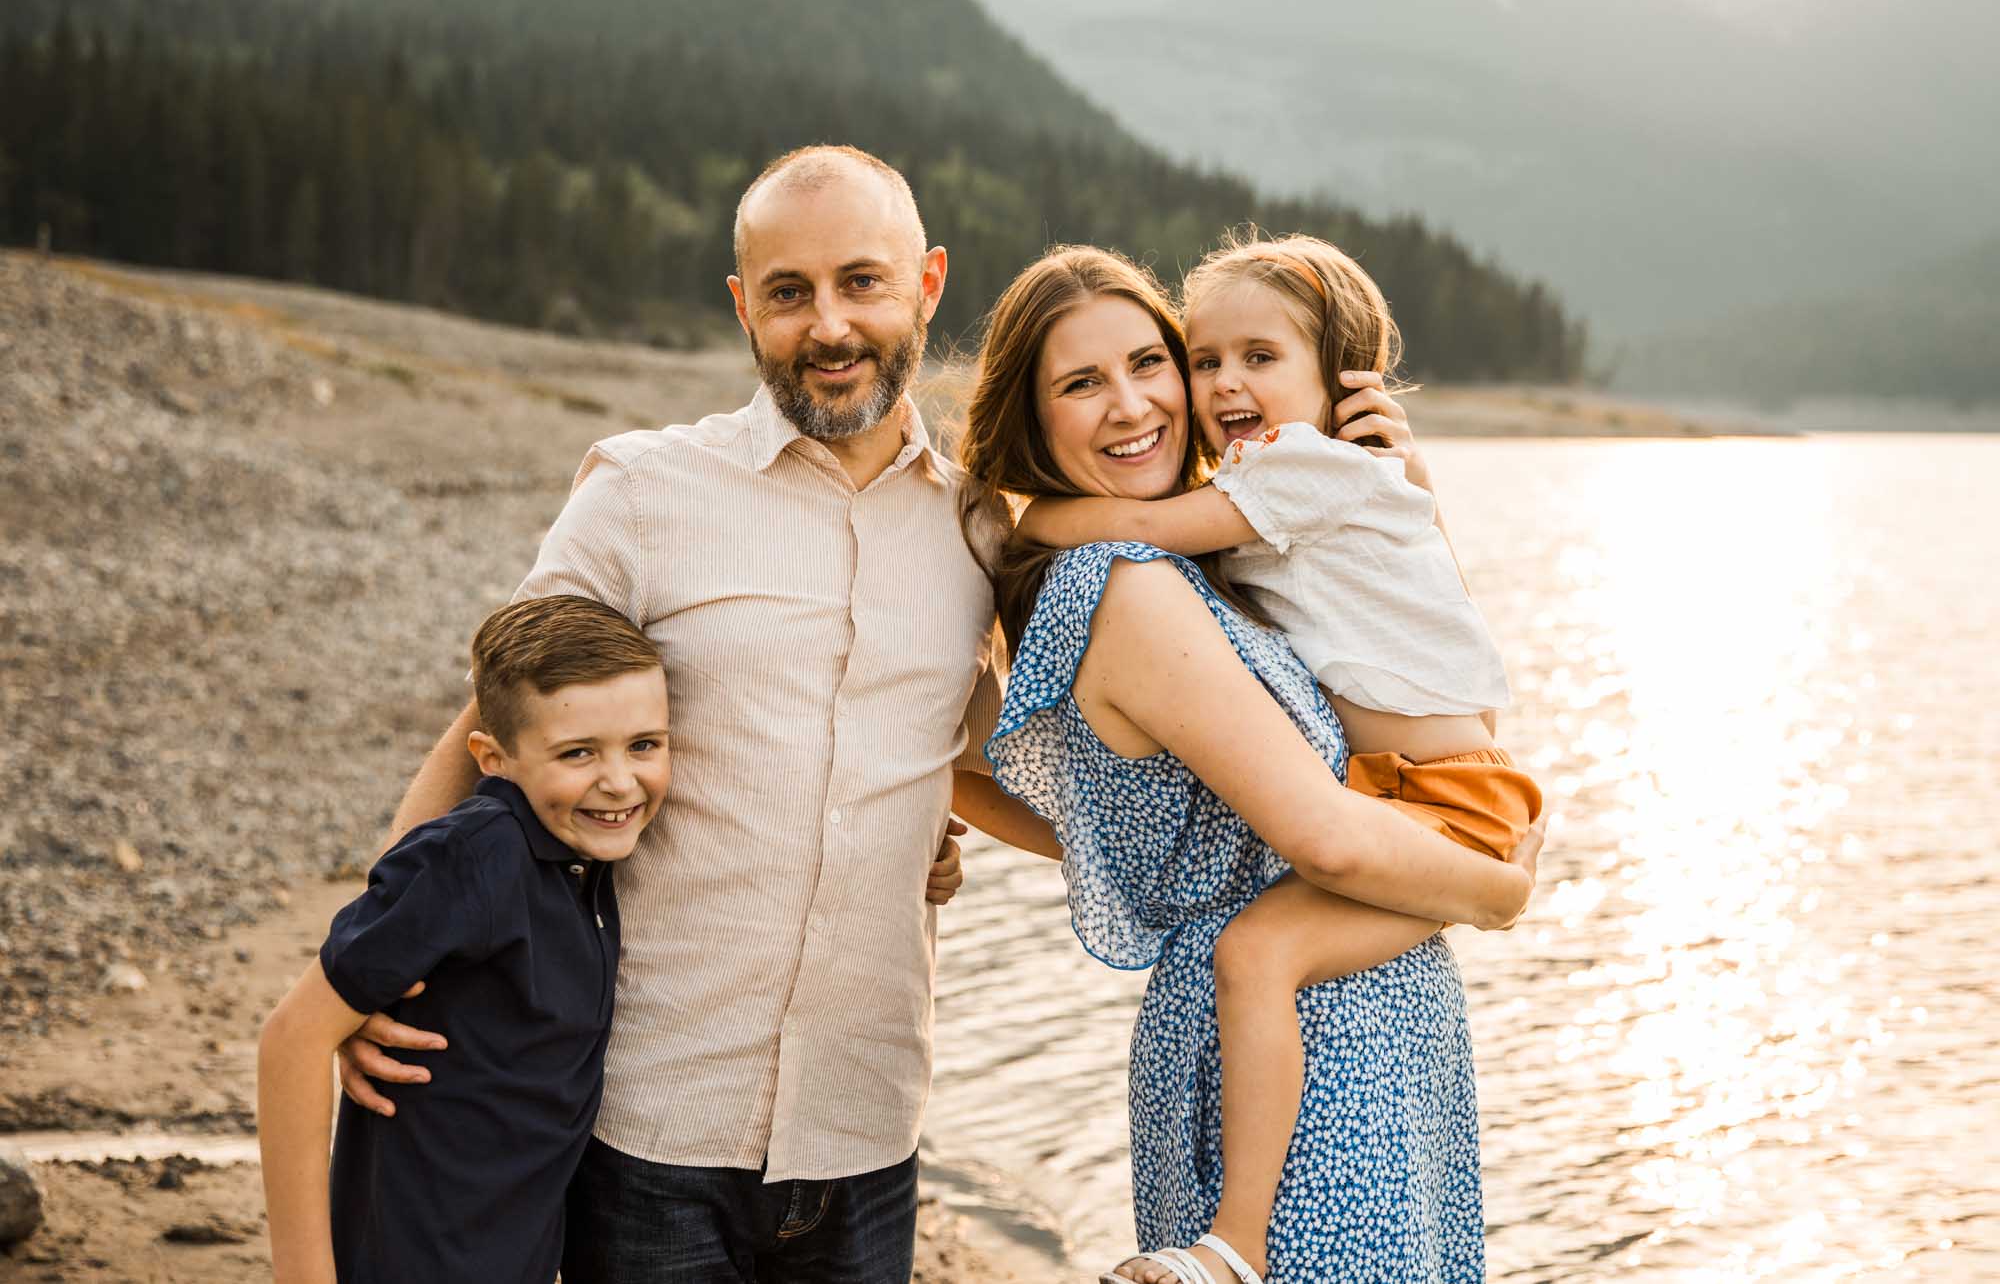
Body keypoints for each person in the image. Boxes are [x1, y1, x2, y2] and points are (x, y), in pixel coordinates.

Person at [333, 146, 1020, 1282]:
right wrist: (367, 963)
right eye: (790, 293)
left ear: (928, 284)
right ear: (745, 306)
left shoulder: (979, 531)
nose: (830, 325)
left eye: (863, 282)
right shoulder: (645, 492)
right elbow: (490, 728)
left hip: (869, 1122)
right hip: (651, 1119)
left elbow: (986, 761)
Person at [953, 245, 1541, 1284]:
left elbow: (1107, 815)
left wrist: (1404, 499)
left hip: (1355, 1022)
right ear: (1031, 418)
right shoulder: (1125, 578)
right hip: (1313, 1069)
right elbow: (1319, 833)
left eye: (1149, 360)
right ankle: (1232, 1243)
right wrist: (1497, 889)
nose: (1136, 402)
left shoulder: (1221, 558)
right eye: (1080, 382)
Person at [257, 595, 670, 1283]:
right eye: (577, 752)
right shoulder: (474, 854)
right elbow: (290, 1039)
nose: (620, 780)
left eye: (644, 744)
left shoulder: (582, 853)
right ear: (491, 757)